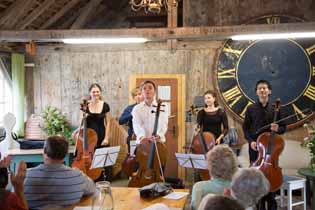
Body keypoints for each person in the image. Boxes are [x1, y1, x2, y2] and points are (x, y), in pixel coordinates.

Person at [242, 80, 286, 210]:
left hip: (271, 151)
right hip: (256, 149)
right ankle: (258, 205)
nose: (262, 91)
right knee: (256, 182)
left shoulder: (276, 109)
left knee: (270, 185)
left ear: (269, 91)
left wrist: (277, 128)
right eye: (260, 88)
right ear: (256, 92)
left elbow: (284, 127)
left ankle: (271, 203)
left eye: (265, 88)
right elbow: (245, 128)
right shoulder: (250, 109)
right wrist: (251, 142)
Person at [24, 136, 95, 209]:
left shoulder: (25, 176)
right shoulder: (78, 176)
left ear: (45, 151)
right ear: (66, 154)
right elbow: (92, 188)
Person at [191, 145, 238, 210]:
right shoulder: (239, 189)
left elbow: (195, 208)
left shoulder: (198, 187)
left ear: (210, 165)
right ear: (233, 165)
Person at [132, 80, 168, 145]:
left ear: (154, 92)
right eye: (144, 88)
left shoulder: (163, 107)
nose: (147, 90)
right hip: (142, 143)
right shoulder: (136, 108)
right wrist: (142, 137)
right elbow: (136, 124)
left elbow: (164, 124)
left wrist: (159, 135)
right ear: (142, 92)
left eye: (150, 88)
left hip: (158, 143)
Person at [119, 86, 143, 153]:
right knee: (133, 157)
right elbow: (120, 121)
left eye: (139, 94)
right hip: (133, 137)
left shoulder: (147, 107)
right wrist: (131, 114)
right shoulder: (130, 108)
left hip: (145, 137)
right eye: (135, 95)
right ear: (133, 98)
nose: (138, 96)